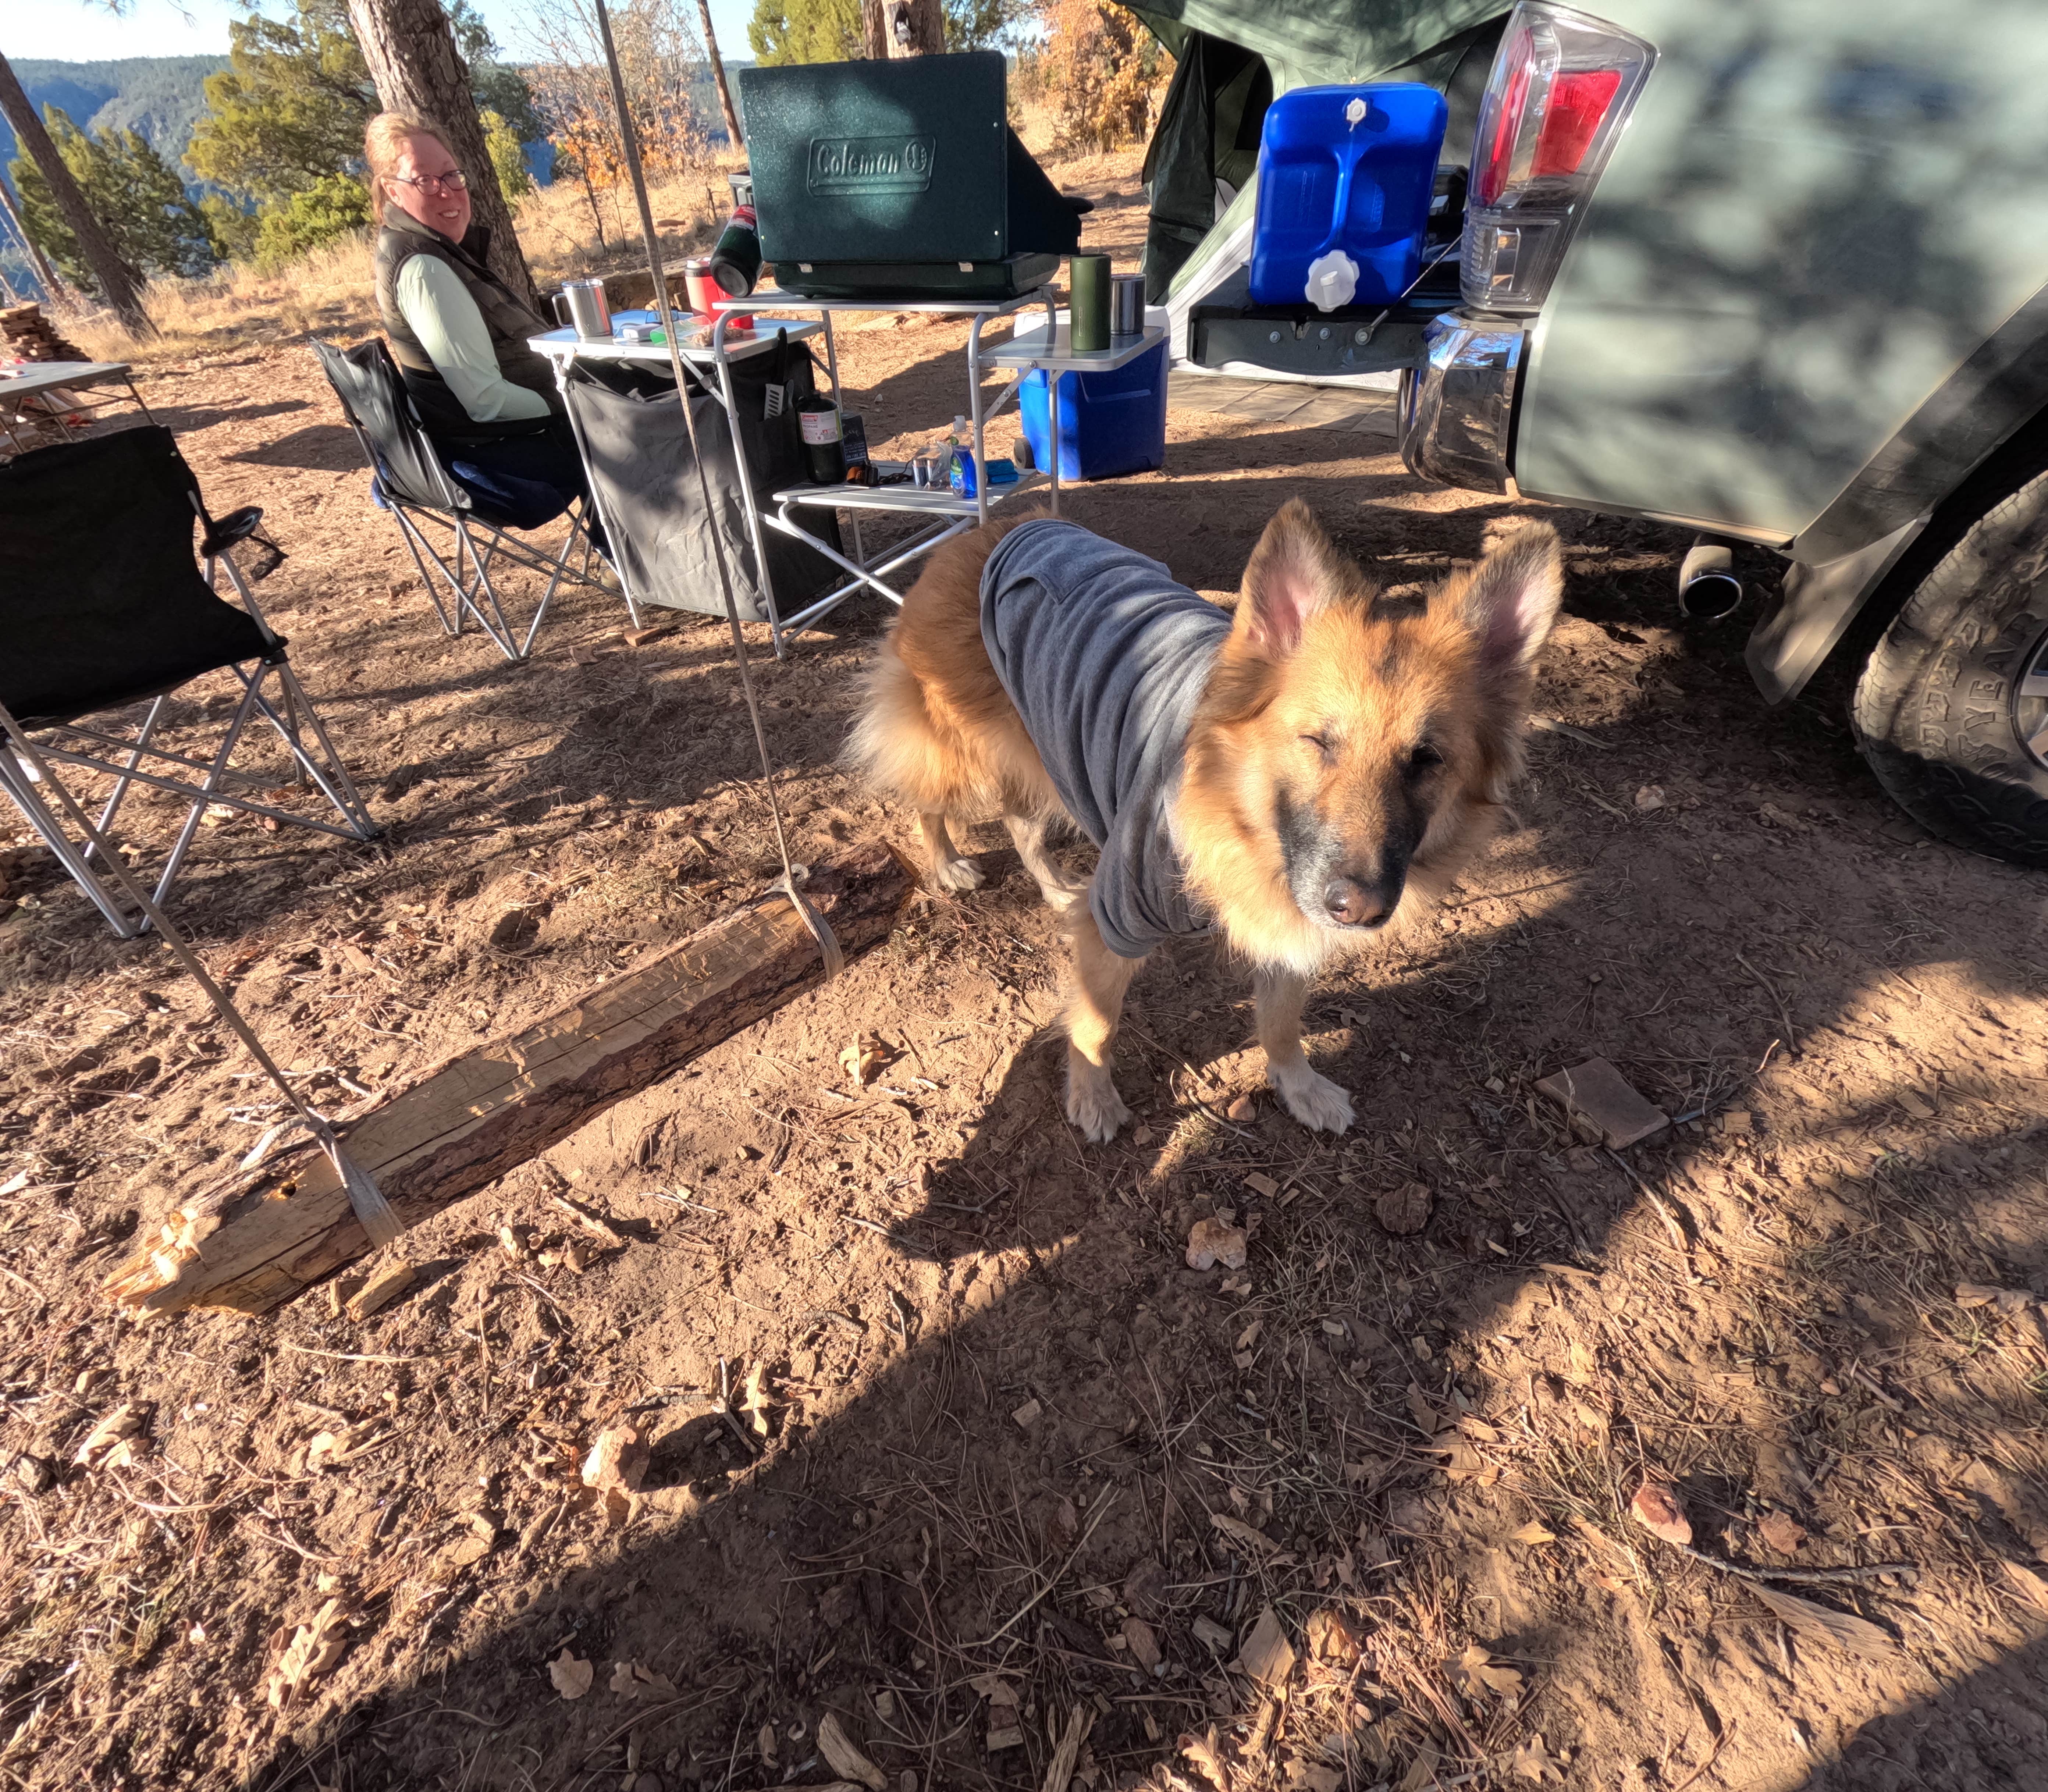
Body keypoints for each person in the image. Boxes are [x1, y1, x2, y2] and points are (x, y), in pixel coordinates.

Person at [365, 111, 595, 534]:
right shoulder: (425, 269)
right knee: (633, 416)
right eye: (424, 180)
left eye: (452, 175)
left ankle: (630, 556)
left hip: (487, 437)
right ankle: (641, 561)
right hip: (494, 450)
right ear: (392, 191)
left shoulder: (433, 249)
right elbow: (486, 401)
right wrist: (580, 404)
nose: (447, 192)